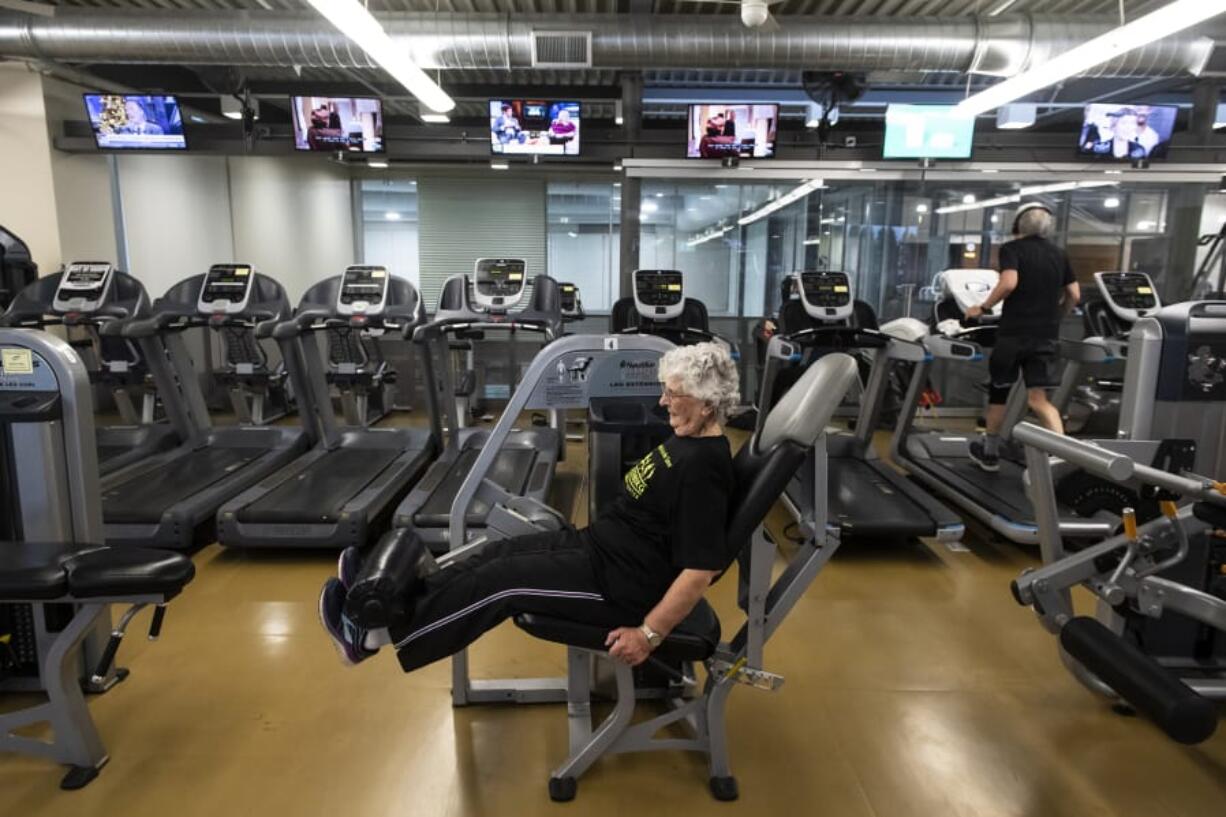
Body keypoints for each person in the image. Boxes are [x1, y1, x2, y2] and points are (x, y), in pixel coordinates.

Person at [318, 342, 741, 671]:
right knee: (494, 552)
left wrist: (648, 635)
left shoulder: (705, 467)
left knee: (505, 584)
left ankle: (373, 635)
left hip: (621, 586)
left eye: (673, 394)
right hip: (600, 550)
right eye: (664, 391)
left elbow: (699, 570)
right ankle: (387, 599)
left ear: (706, 404)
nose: (663, 402)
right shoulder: (687, 437)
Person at [966, 202, 1080, 472]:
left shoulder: (1012, 249)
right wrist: (1057, 315)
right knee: (1038, 400)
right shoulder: (1059, 254)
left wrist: (981, 308)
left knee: (999, 392)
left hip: (1014, 333)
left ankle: (990, 454)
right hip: (1045, 334)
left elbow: (1009, 283)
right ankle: (1061, 458)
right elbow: (1074, 295)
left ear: (1017, 226)